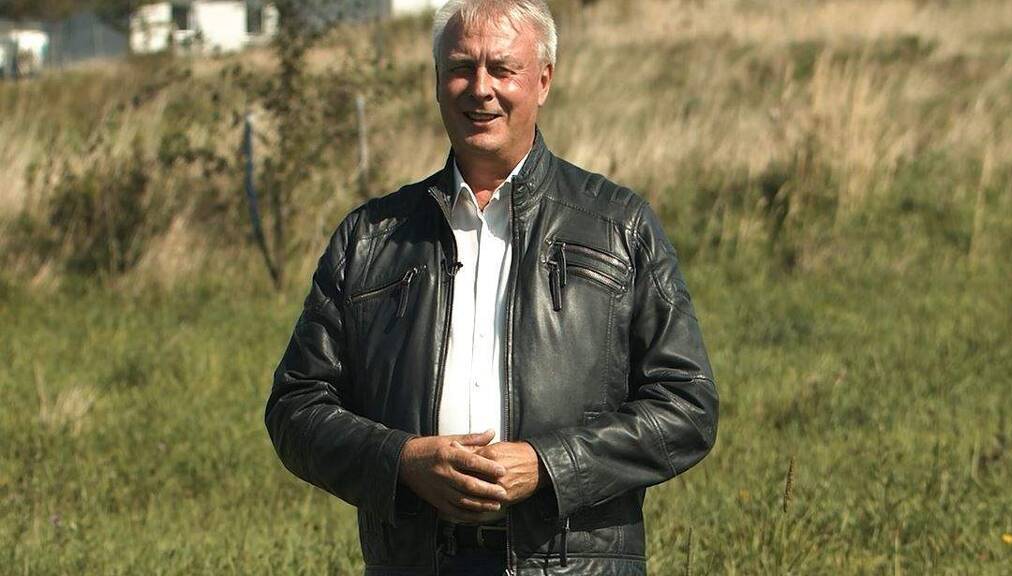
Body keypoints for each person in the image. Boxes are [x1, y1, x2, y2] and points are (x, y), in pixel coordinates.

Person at [264, 0, 719, 574]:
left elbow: (686, 406)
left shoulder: (618, 226)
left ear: (543, 80)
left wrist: (548, 465)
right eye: (461, 67)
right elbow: (296, 407)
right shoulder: (371, 238)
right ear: (437, 81)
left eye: (502, 69)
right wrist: (403, 462)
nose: (480, 89)